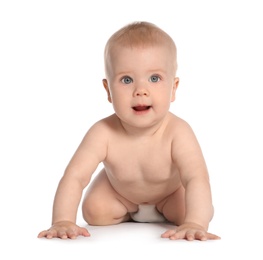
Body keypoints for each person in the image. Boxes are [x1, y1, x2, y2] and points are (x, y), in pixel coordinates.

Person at [38, 21, 220, 241]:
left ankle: (195, 215)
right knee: (94, 211)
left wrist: (195, 222)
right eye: (126, 80)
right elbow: (75, 177)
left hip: (169, 195)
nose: (140, 91)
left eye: (154, 78)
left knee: (189, 211)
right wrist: (62, 220)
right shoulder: (102, 132)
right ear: (108, 91)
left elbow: (195, 177)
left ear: (173, 88)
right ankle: (128, 212)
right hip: (121, 194)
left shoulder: (178, 132)